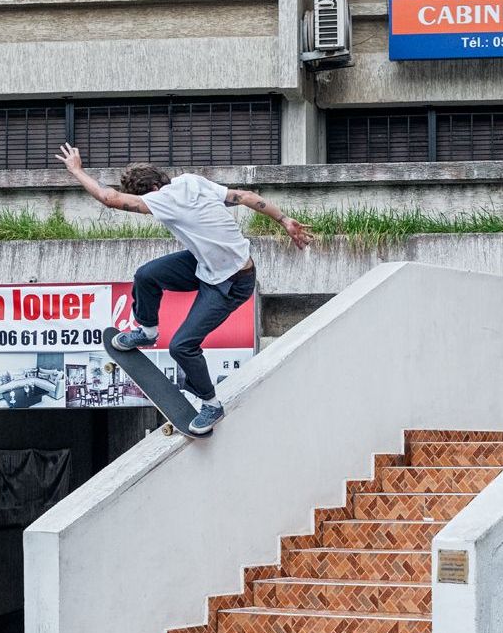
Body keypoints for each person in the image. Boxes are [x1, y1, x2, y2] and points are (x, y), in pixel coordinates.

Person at [57, 143, 313, 434]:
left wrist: (77, 170)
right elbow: (244, 196)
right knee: (146, 275)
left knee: (182, 346)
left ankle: (211, 405)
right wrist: (283, 219)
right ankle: (148, 332)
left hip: (231, 284)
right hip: (206, 266)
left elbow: (109, 198)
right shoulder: (190, 181)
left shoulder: (162, 199)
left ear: (154, 189)